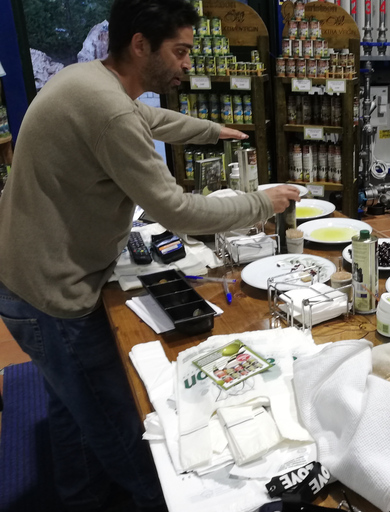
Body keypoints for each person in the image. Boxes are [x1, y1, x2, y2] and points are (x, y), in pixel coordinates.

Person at [0, 1, 299, 510]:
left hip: (24, 280)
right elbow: (177, 211)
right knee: (118, 423)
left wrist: (211, 130)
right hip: (54, 294)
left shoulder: (90, 79)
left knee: (72, 411)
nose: (188, 63)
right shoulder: (110, 110)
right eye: (180, 52)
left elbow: (150, 117)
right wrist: (260, 203)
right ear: (140, 44)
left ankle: (80, 497)